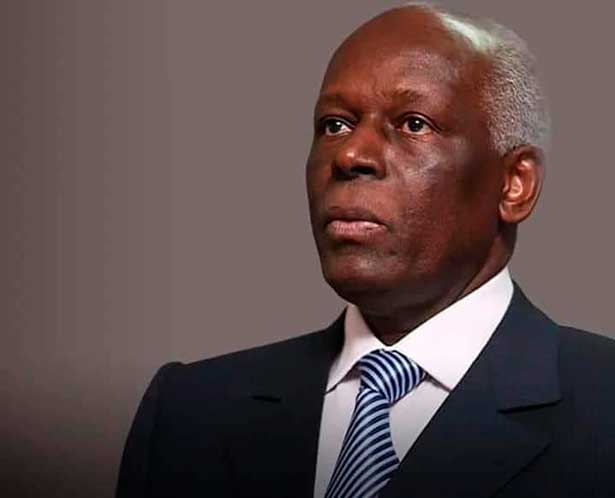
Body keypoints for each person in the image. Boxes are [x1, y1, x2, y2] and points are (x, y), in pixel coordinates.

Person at [116, 4, 615, 498]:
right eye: (334, 125)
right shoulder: (190, 413)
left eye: (413, 124)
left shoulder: (602, 406)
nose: (351, 154)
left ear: (514, 184)